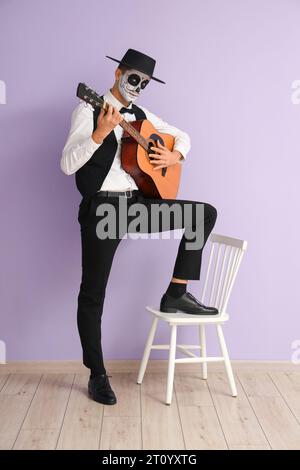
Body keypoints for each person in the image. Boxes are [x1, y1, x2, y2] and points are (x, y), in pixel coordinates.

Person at [61, 49, 218, 405]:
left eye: (144, 84)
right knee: (93, 292)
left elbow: (183, 136)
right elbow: (67, 165)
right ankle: (97, 374)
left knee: (203, 213)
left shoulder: (143, 115)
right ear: (118, 73)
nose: (138, 87)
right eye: (134, 79)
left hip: (138, 205)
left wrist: (175, 155)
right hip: (104, 209)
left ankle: (176, 293)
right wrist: (99, 134)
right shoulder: (88, 109)